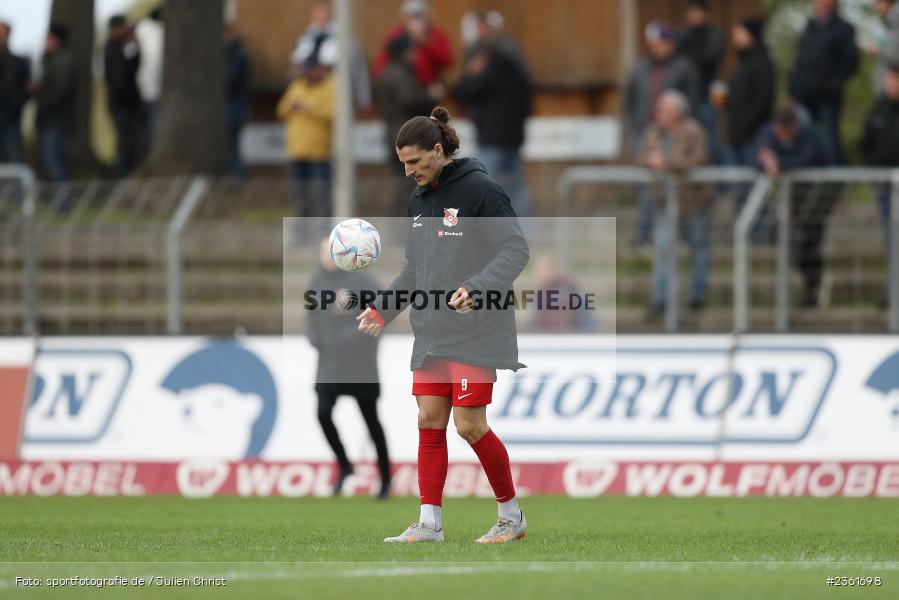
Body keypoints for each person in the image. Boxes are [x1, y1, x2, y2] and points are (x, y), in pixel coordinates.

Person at [356, 106, 529, 544]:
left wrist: (477, 288)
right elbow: (414, 269)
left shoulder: (482, 191)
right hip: (431, 332)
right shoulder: (418, 199)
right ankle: (429, 524)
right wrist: (382, 309)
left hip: (476, 330)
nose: (408, 172)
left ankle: (511, 517)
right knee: (429, 421)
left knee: (469, 426)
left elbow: (515, 250)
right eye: (403, 164)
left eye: (414, 162)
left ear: (438, 150)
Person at [307, 238, 391, 499]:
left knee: (370, 420)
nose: (327, 256)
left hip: (359, 364)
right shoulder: (317, 280)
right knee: (323, 413)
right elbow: (311, 315)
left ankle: (385, 478)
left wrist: (351, 338)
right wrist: (314, 337)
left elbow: (381, 314)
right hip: (329, 363)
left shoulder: (363, 280)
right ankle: (345, 466)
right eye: (323, 250)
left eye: (332, 251)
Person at [624, 21, 700, 246]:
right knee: (646, 186)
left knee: (678, 186)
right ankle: (644, 234)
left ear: (670, 43)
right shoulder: (639, 68)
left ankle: (682, 235)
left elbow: (693, 101)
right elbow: (629, 102)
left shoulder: (684, 67)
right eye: (652, 43)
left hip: (675, 135)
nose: (656, 47)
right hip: (646, 135)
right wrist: (632, 132)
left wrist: (682, 130)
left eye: (660, 42)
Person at [454, 11, 534, 223]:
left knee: (482, 186)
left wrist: (471, 72)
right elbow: (527, 103)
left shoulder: (487, 72)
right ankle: (525, 232)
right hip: (514, 137)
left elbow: (464, 92)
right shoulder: (518, 70)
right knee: (516, 190)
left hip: (491, 138)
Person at [756, 102, 834, 309]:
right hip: (791, 200)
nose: (782, 136)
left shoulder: (811, 135)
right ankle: (807, 287)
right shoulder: (768, 133)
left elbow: (804, 161)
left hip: (815, 199)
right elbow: (761, 157)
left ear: (794, 126)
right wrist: (768, 161)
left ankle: (814, 289)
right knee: (792, 245)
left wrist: (778, 162)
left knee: (811, 244)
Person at [638, 91, 709, 317]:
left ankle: (697, 297)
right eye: (659, 110)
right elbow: (642, 156)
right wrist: (650, 160)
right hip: (665, 202)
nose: (659, 114)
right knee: (663, 250)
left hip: (695, 201)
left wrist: (668, 163)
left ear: (678, 113)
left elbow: (698, 160)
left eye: (665, 110)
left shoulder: (694, 131)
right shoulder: (653, 132)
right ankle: (660, 301)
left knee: (699, 249)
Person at [788, 0, 858, 165]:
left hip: (828, 98)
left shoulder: (843, 29)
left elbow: (851, 62)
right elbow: (799, 63)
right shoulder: (809, 28)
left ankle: (836, 178)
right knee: (805, 141)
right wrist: (793, 92)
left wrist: (832, 84)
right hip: (804, 96)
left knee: (829, 141)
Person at [375, 34, 437, 214]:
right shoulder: (400, 74)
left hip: (396, 135)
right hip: (406, 138)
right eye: (412, 50)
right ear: (404, 52)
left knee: (404, 184)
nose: (415, 54)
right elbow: (408, 101)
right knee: (407, 187)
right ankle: (402, 223)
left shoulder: (389, 72)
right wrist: (430, 96)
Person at [727, 17, 776, 243]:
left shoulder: (762, 62)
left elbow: (763, 101)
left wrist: (747, 125)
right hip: (737, 136)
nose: (735, 36)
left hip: (754, 136)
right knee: (740, 188)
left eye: (740, 32)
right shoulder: (741, 62)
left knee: (756, 187)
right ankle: (744, 235)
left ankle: (762, 236)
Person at [276, 55, 335, 235]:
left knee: (321, 194)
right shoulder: (297, 86)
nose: (309, 74)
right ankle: (302, 233)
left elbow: (331, 113)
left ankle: (324, 232)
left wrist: (307, 108)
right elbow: (281, 111)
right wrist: (292, 106)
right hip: (297, 150)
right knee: (300, 196)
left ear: (320, 69)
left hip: (319, 151)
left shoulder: (331, 87)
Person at [291, 2, 371, 111]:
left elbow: (359, 71)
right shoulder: (306, 40)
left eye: (325, 18)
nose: (321, 22)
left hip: (337, 93)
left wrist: (363, 98)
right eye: (318, 19)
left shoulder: (346, 40)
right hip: (310, 96)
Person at [677, 0, 724, 163]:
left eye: (697, 12)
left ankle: (715, 172)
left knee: (710, 132)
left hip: (708, 91)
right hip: (687, 93)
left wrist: (691, 62)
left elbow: (710, 58)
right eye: (691, 12)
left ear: (705, 14)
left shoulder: (714, 35)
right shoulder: (683, 36)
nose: (694, 16)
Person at [860, 63, 899, 262]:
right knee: (890, 233)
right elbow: (866, 144)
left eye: (894, 79)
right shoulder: (877, 109)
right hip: (883, 183)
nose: (890, 84)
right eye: (888, 80)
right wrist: (872, 171)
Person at [372, 0, 453, 88]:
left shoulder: (435, 34)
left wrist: (427, 43)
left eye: (419, 16)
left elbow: (447, 61)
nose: (415, 22)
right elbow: (381, 64)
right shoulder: (396, 34)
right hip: (403, 84)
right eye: (411, 17)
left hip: (429, 85)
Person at [35, 24, 76, 183]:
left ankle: (63, 195)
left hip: (56, 118)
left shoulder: (61, 61)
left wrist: (44, 103)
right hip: (54, 117)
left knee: (54, 159)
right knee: (55, 158)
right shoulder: (51, 60)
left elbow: (60, 90)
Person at [104, 15, 144, 178]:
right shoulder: (112, 49)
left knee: (134, 142)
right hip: (120, 103)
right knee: (125, 143)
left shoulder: (123, 46)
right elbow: (119, 79)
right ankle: (120, 176)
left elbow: (133, 67)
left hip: (130, 103)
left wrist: (135, 46)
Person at [0, 22, 30, 163]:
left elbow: (26, 88)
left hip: (11, 113)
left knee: (14, 153)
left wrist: (17, 103)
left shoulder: (20, 62)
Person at [135, 8, 163, 154]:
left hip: (146, 90)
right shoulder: (154, 33)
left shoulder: (144, 31)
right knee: (150, 130)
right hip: (151, 91)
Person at [224, 23, 250, 179]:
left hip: (233, 107)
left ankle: (237, 178)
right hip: (235, 107)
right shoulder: (235, 54)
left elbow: (231, 82)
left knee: (232, 146)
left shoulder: (235, 56)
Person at [863, 0, 899, 96]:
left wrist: (879, 51)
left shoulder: (895, 26)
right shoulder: (886, 25)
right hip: (885, 91)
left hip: (892, 93)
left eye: (878, 2)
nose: (875, 7)